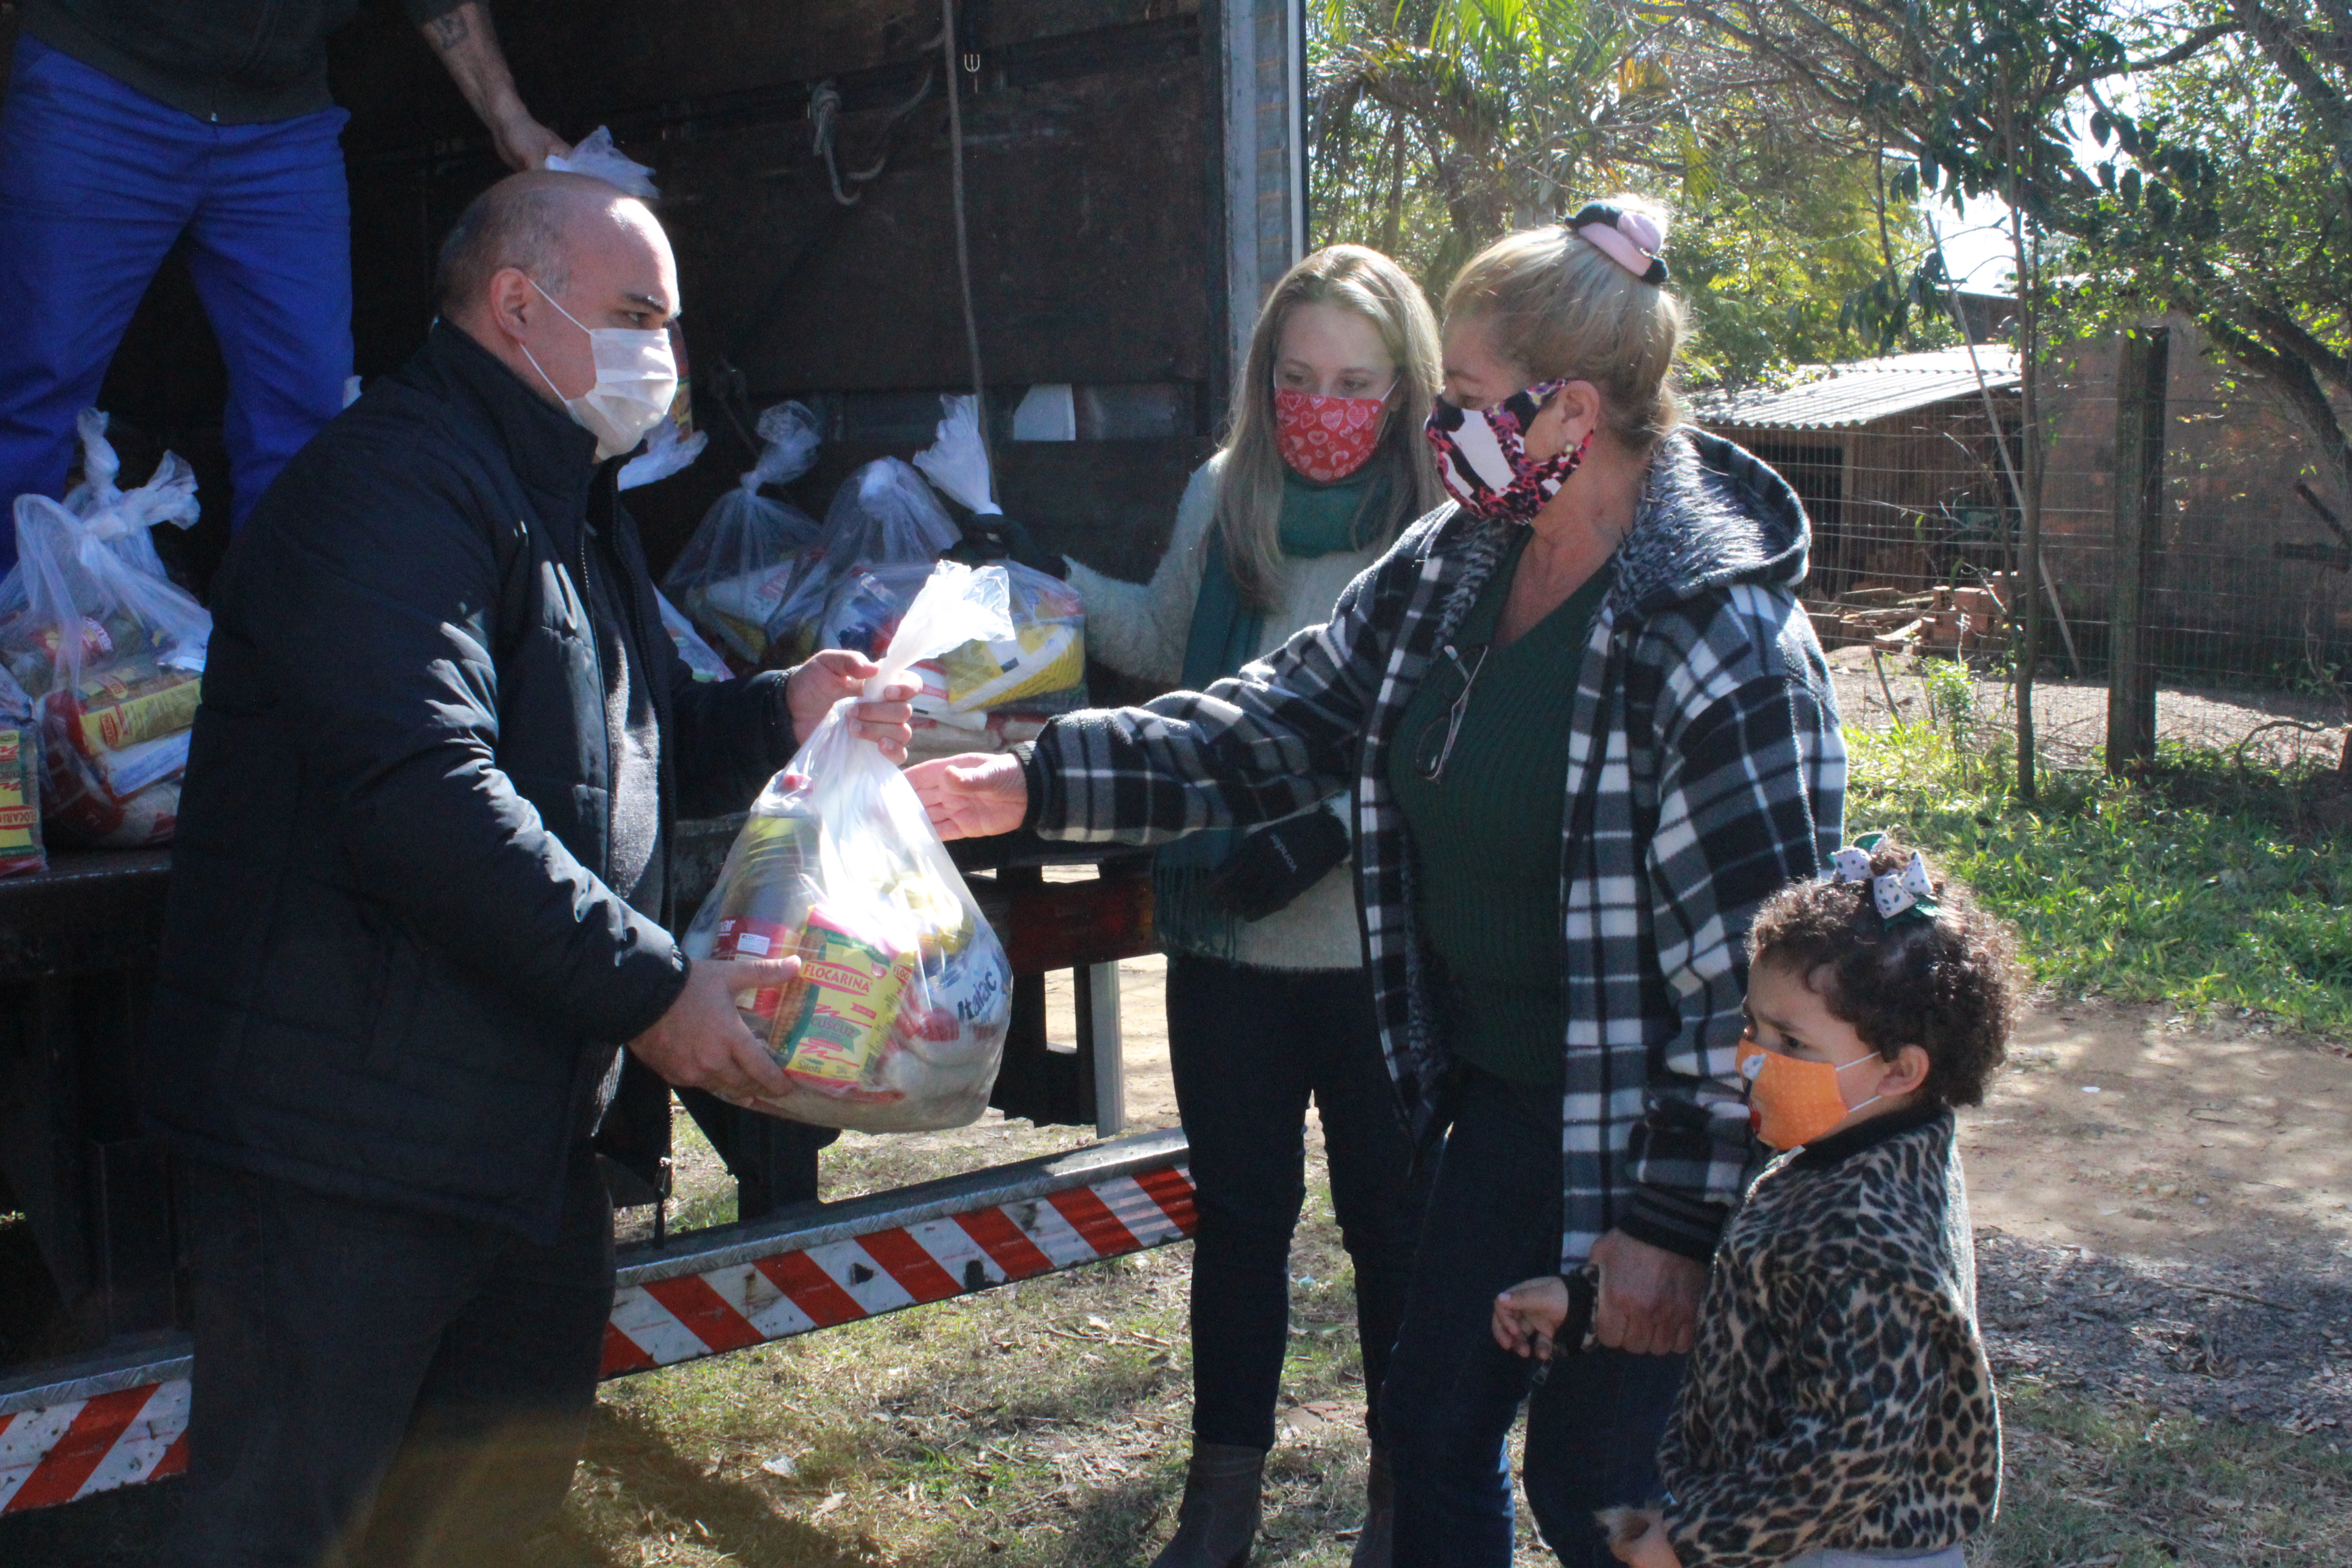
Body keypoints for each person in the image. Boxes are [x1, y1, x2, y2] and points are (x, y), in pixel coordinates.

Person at [911, 196, 1846, 1568]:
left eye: (1462, 395)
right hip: (1513, 1106)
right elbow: (1281, 716)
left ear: (1568, 414)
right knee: (1433, 1423)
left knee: (1598, 1481)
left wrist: (1671, 1231)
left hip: (1658, 1137)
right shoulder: (1462, 561)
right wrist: (1043, 778)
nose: (1438, 428)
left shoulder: (1724, 648)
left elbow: (1766, 991)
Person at [142, 170, 916, 1566]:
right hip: (350, 1155)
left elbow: (628, 742)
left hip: (513, 1140)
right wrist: (653, 991)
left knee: (484, 1528)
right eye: (636, 316)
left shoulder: (564, 498)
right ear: (517, 305)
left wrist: (781, 710)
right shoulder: (390, 488)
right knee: (291, 1533)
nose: (665, 361)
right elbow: (424, 793)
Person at [1062, 244, 1444, 1568]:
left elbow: (1458, 723)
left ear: (1404, 389)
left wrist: (1333, 830)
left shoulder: (1446, 519)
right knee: (1240, 1224)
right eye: (1297, 376)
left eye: (1354, 380)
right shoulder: (1223, 496)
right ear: (1263, 377)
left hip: (1380, 953)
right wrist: (1043, 584)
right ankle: (1217, 1512)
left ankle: (1403, 1511)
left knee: (1394, 1228)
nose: (1322, 404)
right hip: (1226, 940)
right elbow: (1171, 654)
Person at [1507, 834, 2010, 1568]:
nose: (1750, 1057)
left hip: (1847, 1553)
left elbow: (1850, 1445)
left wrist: (1691, 1540)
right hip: (1795, 1538)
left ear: (1899, 1070)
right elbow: (1776, 1311)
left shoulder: (1873, 1231)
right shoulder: (1850, 1157)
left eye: (1789, 1041)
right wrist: (1588, 1306)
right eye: (1750, 1026)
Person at [0, 0, 569, 567]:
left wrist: (507, 114)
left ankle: (276, 641)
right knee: (35, 383)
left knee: (306, 407)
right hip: (105, 80)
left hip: (281, 117)